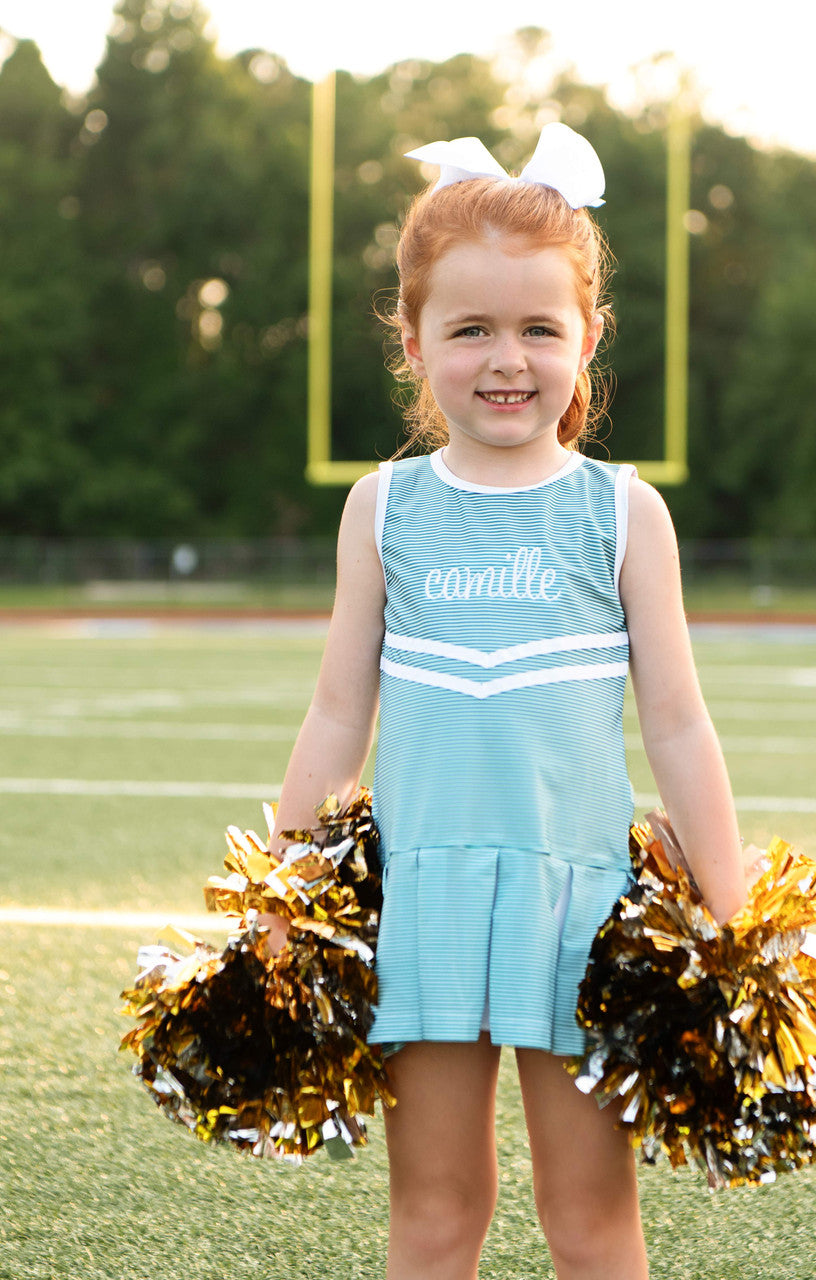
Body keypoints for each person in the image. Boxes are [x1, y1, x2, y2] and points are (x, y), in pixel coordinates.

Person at [266, 122, 747, 1280]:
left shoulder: (623, 513)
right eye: (469, 327)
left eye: (539, 327)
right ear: (415, 339)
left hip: (580, 909)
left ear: (587, 337)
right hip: (420, 901)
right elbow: (338, 714)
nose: (506, 358)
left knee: (591, 1222)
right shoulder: (382, 510)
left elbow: (677, 721)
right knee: (435, 1215)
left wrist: (729, 911)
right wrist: (280, 888)